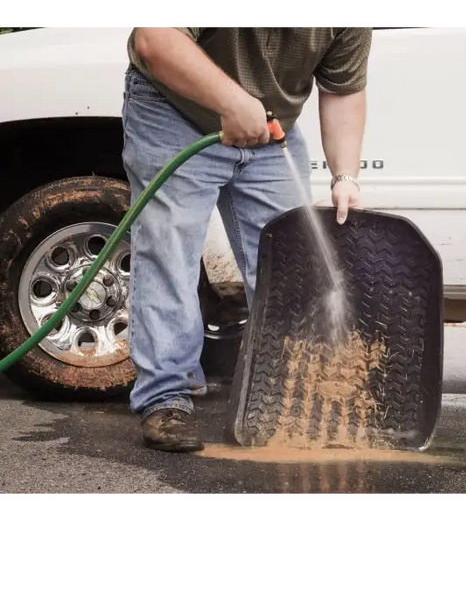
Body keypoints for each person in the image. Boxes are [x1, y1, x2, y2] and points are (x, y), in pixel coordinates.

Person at [121, 25, 373, 453]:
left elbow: (343, 88)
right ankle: (165, 399)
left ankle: (288, 395)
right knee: (169, 249)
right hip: (174, 109)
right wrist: (232, 101)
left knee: (291, 261)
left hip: (271, 129)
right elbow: (155, 39)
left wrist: (344, 175)